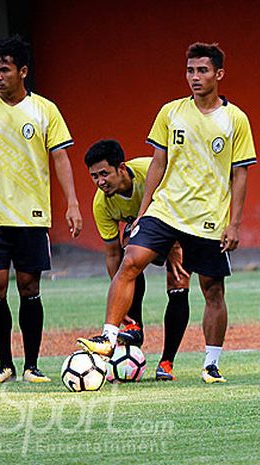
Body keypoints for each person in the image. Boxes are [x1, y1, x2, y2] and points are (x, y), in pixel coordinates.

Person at [78, 42, 256, 384]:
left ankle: (211, 363)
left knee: (213, 290)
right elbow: (158, 163)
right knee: (130, 261)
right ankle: (109, 337)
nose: (195, 77)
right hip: (165, 210)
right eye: (190, 70)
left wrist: (234, 223)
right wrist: (144, 212)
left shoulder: (235, 119)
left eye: (202, 70)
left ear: (218, 74)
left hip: (208, 219)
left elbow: (241, 173)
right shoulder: (171, 112)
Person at [0, 36, 83, 384]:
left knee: (29, 288)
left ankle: (32, 365)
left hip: (32, 215)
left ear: (22, 71)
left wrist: (72, 202)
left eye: (4, 69)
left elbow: (60, 157)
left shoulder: (44, 110)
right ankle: (4, 365)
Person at [84, 139, 191, 381]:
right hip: (144, 232)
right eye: (93, 176)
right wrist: (120, 298)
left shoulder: (149, 171)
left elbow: (178, 203)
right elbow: (112, 254)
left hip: (178, 221)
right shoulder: (102, 205)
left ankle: (167, 361)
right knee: (129, 261)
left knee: (178, 283)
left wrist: (175, 247)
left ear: (121, 168)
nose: (100, 182)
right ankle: (135, 326)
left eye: (104, 174)